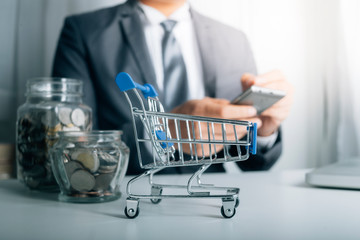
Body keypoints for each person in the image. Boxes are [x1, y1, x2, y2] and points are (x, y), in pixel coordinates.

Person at [52, 0, 294, 174]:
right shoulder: (83, 31)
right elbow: (71, 147)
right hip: (121, 199)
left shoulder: (233, 39)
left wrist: (264, 132)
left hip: (209, 204)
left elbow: (254, 165)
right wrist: (164, 133)